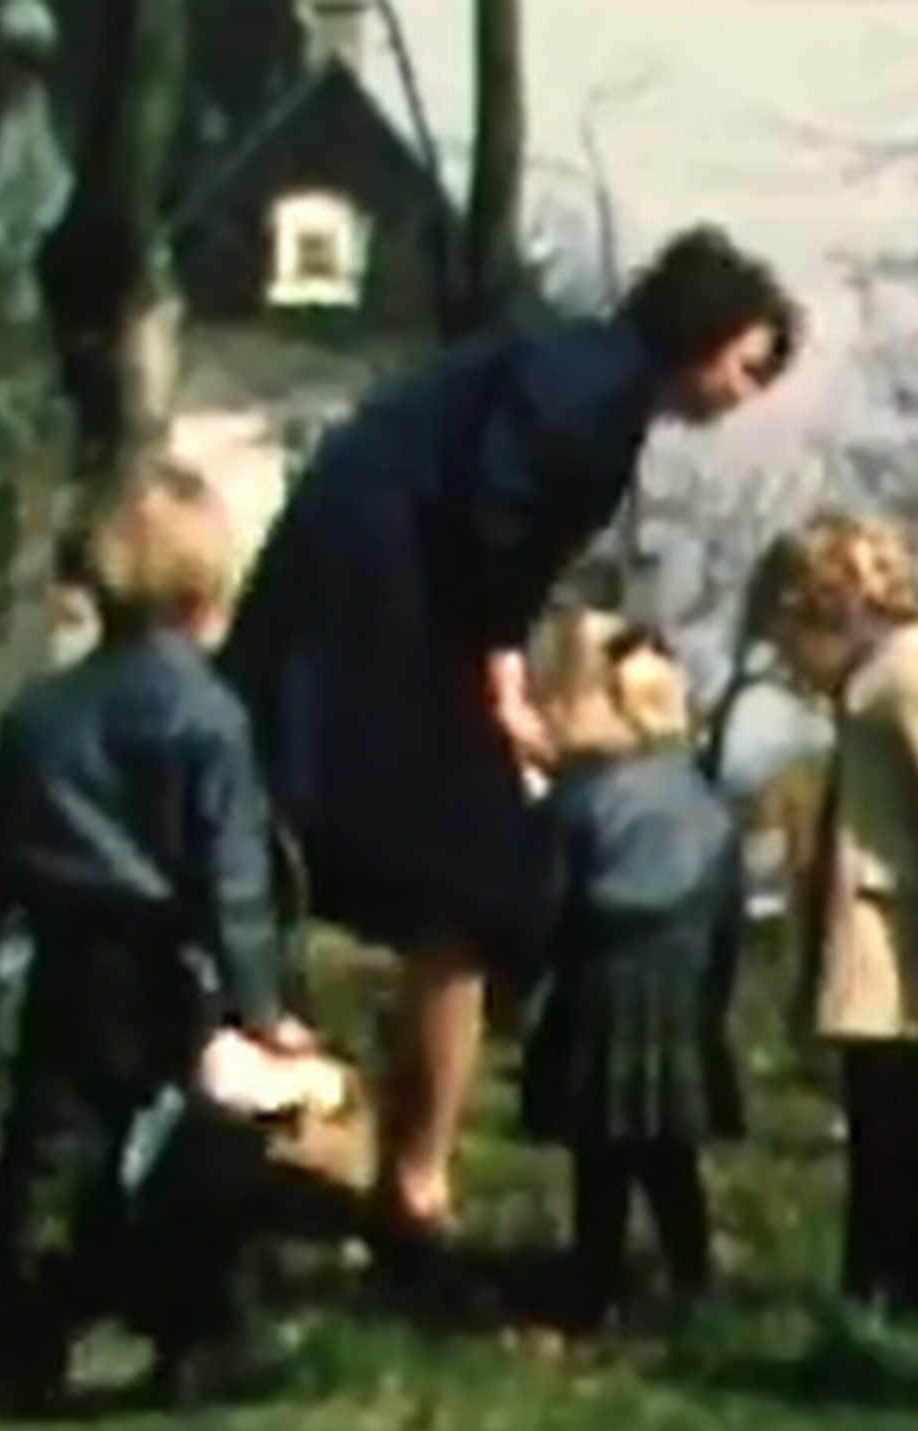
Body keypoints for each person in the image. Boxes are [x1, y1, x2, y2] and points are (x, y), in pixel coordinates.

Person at [218, 226, 800, 1245]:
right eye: (748, 367)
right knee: (470, 881)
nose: (744, 396)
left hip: (366, 603)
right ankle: (412, 1180)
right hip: (380, 612)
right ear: (706, 334)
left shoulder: (576, 372)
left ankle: (350, 1136)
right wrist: (493, 657)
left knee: (343, 847)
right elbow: (498, 510)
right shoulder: (587, 393)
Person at [0, 459, 312, 1417]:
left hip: (64, 959)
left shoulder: (41, 714)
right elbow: (233, 880)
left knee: (50, 1148)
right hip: (165, 963)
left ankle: (22, 1341)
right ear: (207, 585)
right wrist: (261, 1006)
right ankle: (197, 1333)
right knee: (186, 1155)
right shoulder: (209, 717)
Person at [750, 512, 918, 1322]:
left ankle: (904, 1278)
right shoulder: (880, 693)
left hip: (908, 949)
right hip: (887, 942)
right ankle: (896, 1273)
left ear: (829, 613)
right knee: (885, 1121)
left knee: (899, 1126)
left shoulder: (914, 690)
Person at [514, 608, 744, 1337]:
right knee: (673, 1153)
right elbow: (729, 909)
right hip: (681, 977)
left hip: (602, 975)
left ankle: (594, 1287)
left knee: (601, 1158)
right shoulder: (708, 802)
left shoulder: (579, 800)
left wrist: (524, 980)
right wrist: (717, 993)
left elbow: (546, 904)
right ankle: (693, 1275)